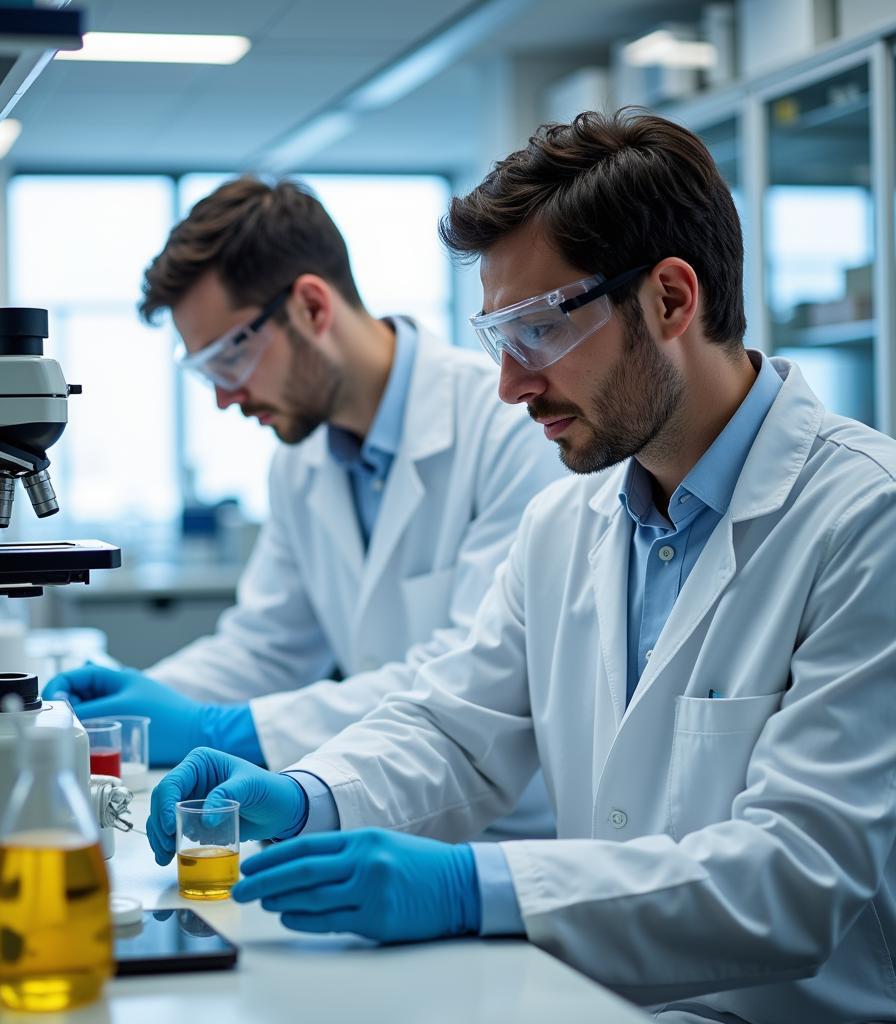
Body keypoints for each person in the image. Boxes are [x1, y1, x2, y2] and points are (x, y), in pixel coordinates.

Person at [147, 113, 896, 1023]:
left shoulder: (866, 517)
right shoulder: (565, 523)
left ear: (669, 299)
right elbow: (456, 731)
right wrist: (308, 796)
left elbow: (796, 874)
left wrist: (475, 886)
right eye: (499, 335)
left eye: (538, 329)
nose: (509, 383)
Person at [44, 176, 562, 839]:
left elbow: (464, 674)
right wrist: (138, 704)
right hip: (371, 811)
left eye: (230, 356)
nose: (225, 398)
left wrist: (216, 729)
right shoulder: (300, 461)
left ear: (313, 307)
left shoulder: (508, 427)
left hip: (513, 833)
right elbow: (267, 648)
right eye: (205, 372)